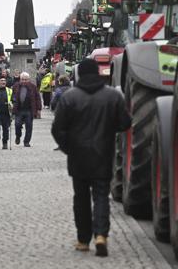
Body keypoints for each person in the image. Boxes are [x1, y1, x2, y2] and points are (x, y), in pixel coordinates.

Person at [51, 58, 131, 256]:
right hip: (103, 153)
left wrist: (68, 147)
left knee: (81, 198)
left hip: (78, 156)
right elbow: (125, 123)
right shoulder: (112, 96)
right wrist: (110, 130)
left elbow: (57, 128)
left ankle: (83, 239)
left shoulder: (70, 97)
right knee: (101, 195)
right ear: (96, 72)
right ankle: (101, 235)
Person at [11, 71, 41, 147]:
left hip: (29, 110)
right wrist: (12, 103)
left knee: (29, 126)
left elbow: (37, 98)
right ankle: (18, 136)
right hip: (19, 109)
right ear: (20, 79)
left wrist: (38, 109)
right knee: (17, 124)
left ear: (29, 80)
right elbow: (11, 96)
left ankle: (26, 141)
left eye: (26, 79)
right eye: (22, 79)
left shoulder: (33, 87)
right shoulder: (16, 86)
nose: (24, 81)